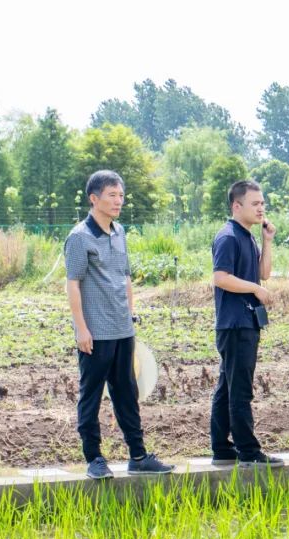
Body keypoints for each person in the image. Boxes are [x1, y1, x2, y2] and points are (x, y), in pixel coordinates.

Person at [64, 170, 173, 479]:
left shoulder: (119, 231)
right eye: (112, 195)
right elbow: (73, 284)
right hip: (95, 333)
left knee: (127, 392)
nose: (118, 201)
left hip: (123, 329)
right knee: (91, 394)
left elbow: (125, 276)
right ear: (94, 198)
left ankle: (138, 456)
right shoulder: (79, 237)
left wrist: (130, 314)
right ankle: (94, 458)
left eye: (121, 196)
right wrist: (81, 328)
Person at [210, 180, 283, 467]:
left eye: (262, 203)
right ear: (236, 206)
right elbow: (221, 277)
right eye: (255, 203)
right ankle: (248, 451)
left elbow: (263, 272)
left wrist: (267, 241)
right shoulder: (228, 237)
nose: (261, 208)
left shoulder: (249, 236)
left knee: (227, 386)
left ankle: (222, 447)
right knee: (240, 388)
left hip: (245, 321)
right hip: (235, 323)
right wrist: (254, 289)